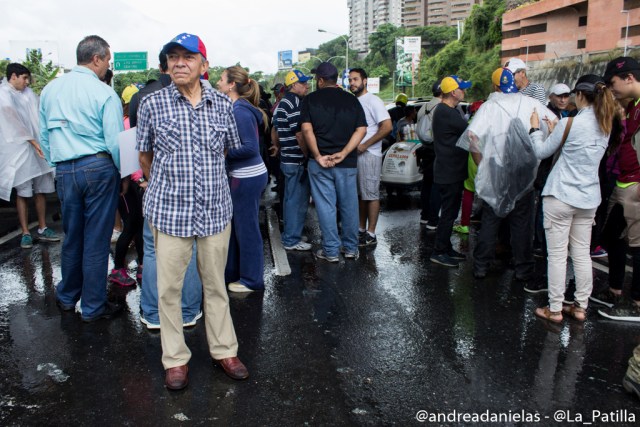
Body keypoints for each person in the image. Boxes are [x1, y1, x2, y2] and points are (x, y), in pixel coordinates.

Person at [137, 33, 248, 390]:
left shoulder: (223, 105)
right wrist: (167, 187)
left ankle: (224, 351)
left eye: (188, 57)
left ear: (204, 65)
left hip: (215, 211)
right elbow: (144, 156)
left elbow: (227, 152)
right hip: (170, 213)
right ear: (167, 64)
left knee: (215, 286)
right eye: (173, 57)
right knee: (169, 289)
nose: (179, 63)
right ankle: (175, 360)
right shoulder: (152, 105)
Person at [39, 35, 123, 321]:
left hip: (64, 168)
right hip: (98, 167)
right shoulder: (104, 93)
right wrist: (122, 173)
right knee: (96, 241)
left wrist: (57, 163)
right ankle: (93, 307)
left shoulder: (50, 89)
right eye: (108, 60)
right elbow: (114, 141)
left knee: (72, 237)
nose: (107, 65)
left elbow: (44, 134)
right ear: (97, 59)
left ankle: (66, 297)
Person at [529, 74, 616, 323]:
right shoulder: (605, 125)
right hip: (588, 199)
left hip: (560, 195)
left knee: (557, 255)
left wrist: (535, 128)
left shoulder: (570, 123)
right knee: (581, 254)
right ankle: (580, 306)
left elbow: (541, 151)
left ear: (579, 95)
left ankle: (554, 309)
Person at [457, 67, 556, 281]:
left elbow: (472, 137)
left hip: (496, 170)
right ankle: (523, 268)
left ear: (495, 86)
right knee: (522, 223)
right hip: (525, 172)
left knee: (491, 220)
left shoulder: (489, 107)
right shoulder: (532, 104)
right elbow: (555, 124)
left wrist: (482, 164)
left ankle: (481, 266)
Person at [129, 50, 203, 330]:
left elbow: (141, 150)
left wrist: (150, 179)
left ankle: (152, 313)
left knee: (151, 250)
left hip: (153, 186)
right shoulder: (189, 96)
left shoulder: (140, 97)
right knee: (190, 247)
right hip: (187, 192)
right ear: (169, 65)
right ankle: (186, 312)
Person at [301, 62, 367, 261]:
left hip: (319, 163)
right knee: (349, 205)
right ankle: (350, 248)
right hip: (346, 163)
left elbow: (306, 130)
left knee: (326, 206)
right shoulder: (351, 100)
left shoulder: (310, 100)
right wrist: (345, 153)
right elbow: (361, 129)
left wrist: (318, 155)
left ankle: (330, 251)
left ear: (320, 80)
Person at [594, 57, 640, 322]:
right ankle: (615, 288)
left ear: (629, 78)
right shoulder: (632, 106)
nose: (612, 90)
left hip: (635, 184)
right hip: (623, 182)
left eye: (613, 84)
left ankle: (636, 303)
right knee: (611, 236)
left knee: (638, 246)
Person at [216, 65, 268, 292]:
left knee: (247, 230)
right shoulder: (238, 108)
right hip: (244, 176)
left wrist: (223, 152)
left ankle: (252, 279)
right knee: (239, 227)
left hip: (247, 178)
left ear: (231, 85)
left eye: (221, 79)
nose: (217, 82)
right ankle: (236, 273)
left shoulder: (240, 111)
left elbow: (250, 147)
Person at [0, 63, 60, 249]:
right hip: (19, 151)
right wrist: (33, 142)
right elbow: (13, 124)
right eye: (24, 78)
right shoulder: (4, 95)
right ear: (13, 76)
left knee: (40, 189)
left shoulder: (29, 95)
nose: (27, 82)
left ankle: (42, 227)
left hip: (36, 149)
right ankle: (26, 232)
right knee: (23, 191)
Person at [429, 75, 471, 268]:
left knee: (451, 211)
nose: (465, 91)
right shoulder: (447, 112)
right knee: (448, 213)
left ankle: (445, 248)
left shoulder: (447, 110)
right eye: (462, 89)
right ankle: (439, 251)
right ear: (453, 92)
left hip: (450, 169)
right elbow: (470, 131)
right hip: (449, 171)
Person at [348, 68, 391, 247]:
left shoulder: (373, 100)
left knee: (371, 194)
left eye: (355, 79)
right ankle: (360, 229)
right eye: (350, 80)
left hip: (370, 154)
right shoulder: (353, 101)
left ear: (365, 81)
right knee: (361, 194)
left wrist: (366, 145)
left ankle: (371, 234)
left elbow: (387, 126)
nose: (352, 83)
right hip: (356, 154)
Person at [274, 69, 312, 251]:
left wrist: (279, 146)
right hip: (296, 159)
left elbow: (275, 130)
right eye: (303, 83)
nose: (306, 86)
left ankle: (291, 233)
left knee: (290, 200)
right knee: (297, 201)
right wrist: (308, 154)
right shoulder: (295, 103)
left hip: (286, 158)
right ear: (293, 85)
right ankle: (291, 240)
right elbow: (300, 134)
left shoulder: (282, 103)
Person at [415, 81, 443, 230]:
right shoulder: (442, 108)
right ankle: (433, 219)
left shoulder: (423, 107)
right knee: (436, 185)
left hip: (424, 148)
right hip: (436, 148)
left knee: (426, 184)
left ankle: (424, 216)